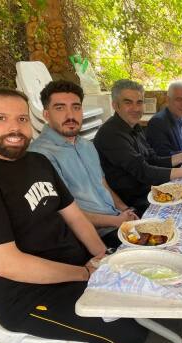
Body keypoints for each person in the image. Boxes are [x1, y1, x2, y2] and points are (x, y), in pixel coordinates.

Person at [0, 88, 148, 343]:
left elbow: (75, 217)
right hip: (24, 295)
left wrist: (103, 258)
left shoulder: (37, 163)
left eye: (21, 118)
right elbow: (7, 264)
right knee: (130, 332)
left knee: (145, 295)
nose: (15, 128)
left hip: (72, 267)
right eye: (1, 118)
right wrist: (84, 273)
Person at [29, 80, 138, 248]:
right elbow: (64, 212)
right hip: (93, 236)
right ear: (46, 114)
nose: (70, 115)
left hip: (116, 220)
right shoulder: (40, 155)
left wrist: (125, 210)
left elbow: (102, 184)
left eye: (76, 107)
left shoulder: (86, 145)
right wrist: (117, 221)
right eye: (60, 108)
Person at [94, 79, 182, 214]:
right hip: (132, 203)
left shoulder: (134, 126)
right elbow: (143, 171)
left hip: (151, 190)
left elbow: (153, 159)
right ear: (115, 105)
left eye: (139, 102)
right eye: (128, 102)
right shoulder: (111, 134)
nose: (136, 108)